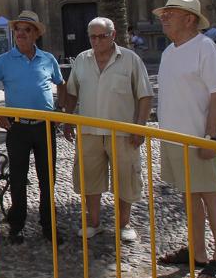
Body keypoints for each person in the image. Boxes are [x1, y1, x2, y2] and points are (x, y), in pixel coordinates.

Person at [153, 0, 216, 278]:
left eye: (169, 13)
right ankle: (197, 251)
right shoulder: (169, 51)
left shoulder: (205, 48)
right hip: (174, 138)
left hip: (199, 138)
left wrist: (210, 137)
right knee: (190, 195)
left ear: (189, 19)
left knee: (210, 196)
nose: (163, 18)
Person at [60, 17, 154, 242]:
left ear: (113, 35)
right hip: (89, 131)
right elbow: (72, 92)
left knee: (125, 178)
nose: (97, 41)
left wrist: (139, 127)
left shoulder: (130, 59)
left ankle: (124, 224)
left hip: (122, 132)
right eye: (93, 36)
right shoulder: (82, 60)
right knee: (89, 178)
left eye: (102, 36)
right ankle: (93, 223)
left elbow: (145, 95)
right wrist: (68, 120)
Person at [0, 10, 66, 244]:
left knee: (47, 178)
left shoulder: (48, 59)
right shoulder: (4, 61)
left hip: (44, 128)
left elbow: (61, 84)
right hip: (17, 129)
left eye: (26, 30)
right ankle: (16, 225)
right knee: (18, 178)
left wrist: (62, 110)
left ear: (35, 34)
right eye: (17, 29)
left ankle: (48, 225)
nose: (21, 33)